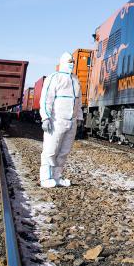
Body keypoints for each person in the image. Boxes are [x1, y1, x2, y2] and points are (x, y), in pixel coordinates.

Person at [39, 52, 83, 188]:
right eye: (69, 61)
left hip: (71, 122)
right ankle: (46, 178)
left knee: (64, 152)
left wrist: (79, 117)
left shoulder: (75, 80)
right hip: (56, 121)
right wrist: (46, 117)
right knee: (50, 150)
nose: (72, 64)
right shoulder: (54, 78)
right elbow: (46, 99)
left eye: (73, 62)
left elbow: (78, 101)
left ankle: (57, 177)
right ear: (63, 62)